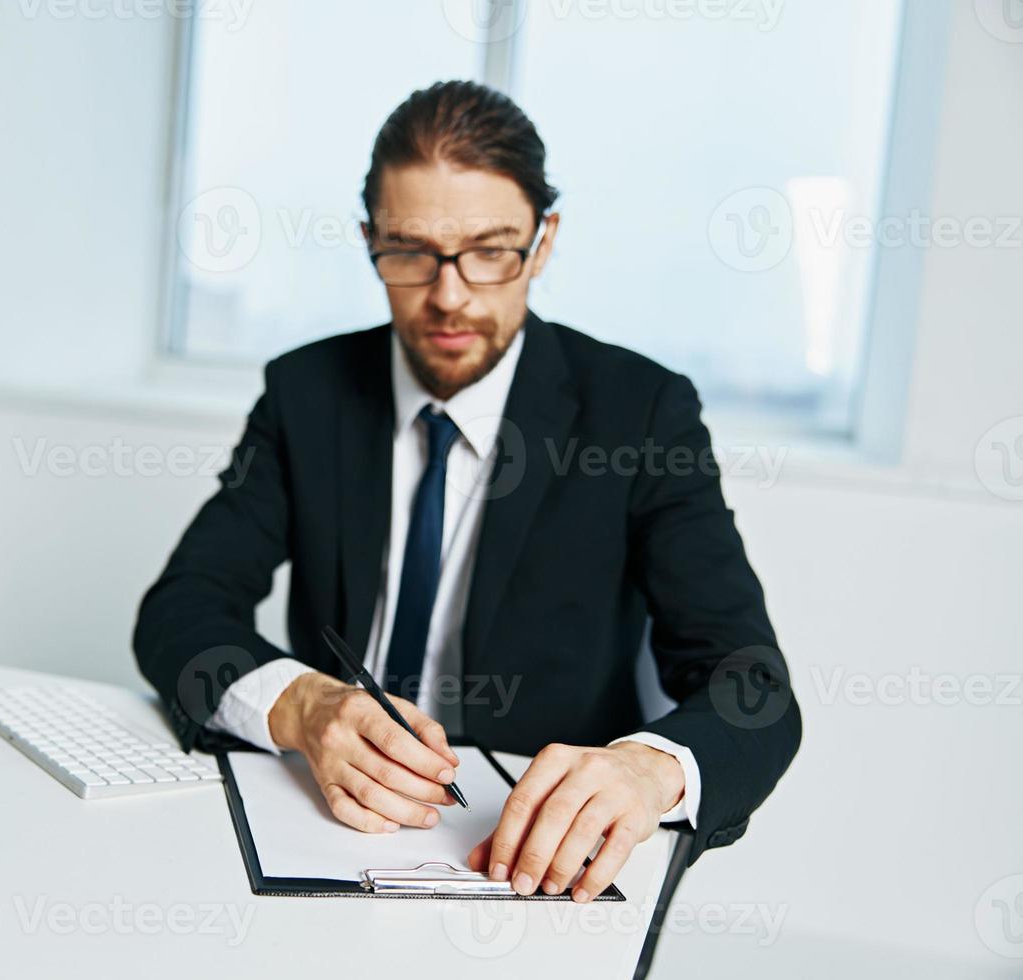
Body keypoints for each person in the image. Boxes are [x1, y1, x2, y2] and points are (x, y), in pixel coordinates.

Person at [134, 79, 799, 902]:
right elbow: (179, 610)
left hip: (532, 859)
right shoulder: (306, 392)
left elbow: (753, 688)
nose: (449, 295)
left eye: (490, 251)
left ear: (544, 243)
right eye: (411, 251)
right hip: (320, 826)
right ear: (370, 239)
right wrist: (301, 705)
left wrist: (647, 768)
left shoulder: (641, 413)